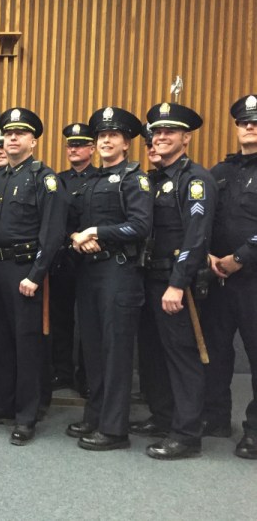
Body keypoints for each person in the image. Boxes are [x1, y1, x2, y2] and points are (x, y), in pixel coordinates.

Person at [0, 108, 67, 445]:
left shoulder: (45, 178)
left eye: (20, 133)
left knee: (26, 345)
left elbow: (53, 233)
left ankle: (27, 415)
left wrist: (37, 274)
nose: (12, 138)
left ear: (33, 140)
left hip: (25, 271)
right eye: (8, 133)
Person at [131, 102, 215, 460]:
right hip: (149, 278)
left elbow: (196, 238)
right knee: (152, 355)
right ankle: (163, 416)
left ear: (186, 137)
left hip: (174, 282)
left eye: (170, 131)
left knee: (182, 358)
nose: (161, 136)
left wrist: (178, 284)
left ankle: (186, 433)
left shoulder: (195, 181)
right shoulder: (152, 180)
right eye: (157, 132)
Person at [67, 106, 153, 451]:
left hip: (120, 272)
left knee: (116, 351)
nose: (105, 141)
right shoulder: (91, 180)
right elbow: (73, 222)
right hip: (90, 273)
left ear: (126, 143)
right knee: (93, 349)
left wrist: (96, 230)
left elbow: (141, 225)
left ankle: (115, 429)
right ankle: (96, 415)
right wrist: (76, 236)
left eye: (112, 136)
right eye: (101, 136)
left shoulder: (135, 178)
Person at [201, 94, 257, 460]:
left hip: (253, 280)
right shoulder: (219, 172)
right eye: (243, 122)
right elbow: (201, 218)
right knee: (217, 353)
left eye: (255, 122)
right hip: (218, 277)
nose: (249, 127)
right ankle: (216, 417)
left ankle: (254, 431)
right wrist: (206, 254)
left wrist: (240, 257)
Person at [49, 123, 97, 395]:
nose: (74, 149)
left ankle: (87, 376)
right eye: (70, 145)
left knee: (89, 320)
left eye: (80, 144)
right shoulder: (57, 180)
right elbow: (54, 219)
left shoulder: (101, 178)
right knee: (61, 318)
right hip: (65, 256)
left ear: (92, 148)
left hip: (92, 258)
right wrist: (71, 236)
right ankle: (62, 372)